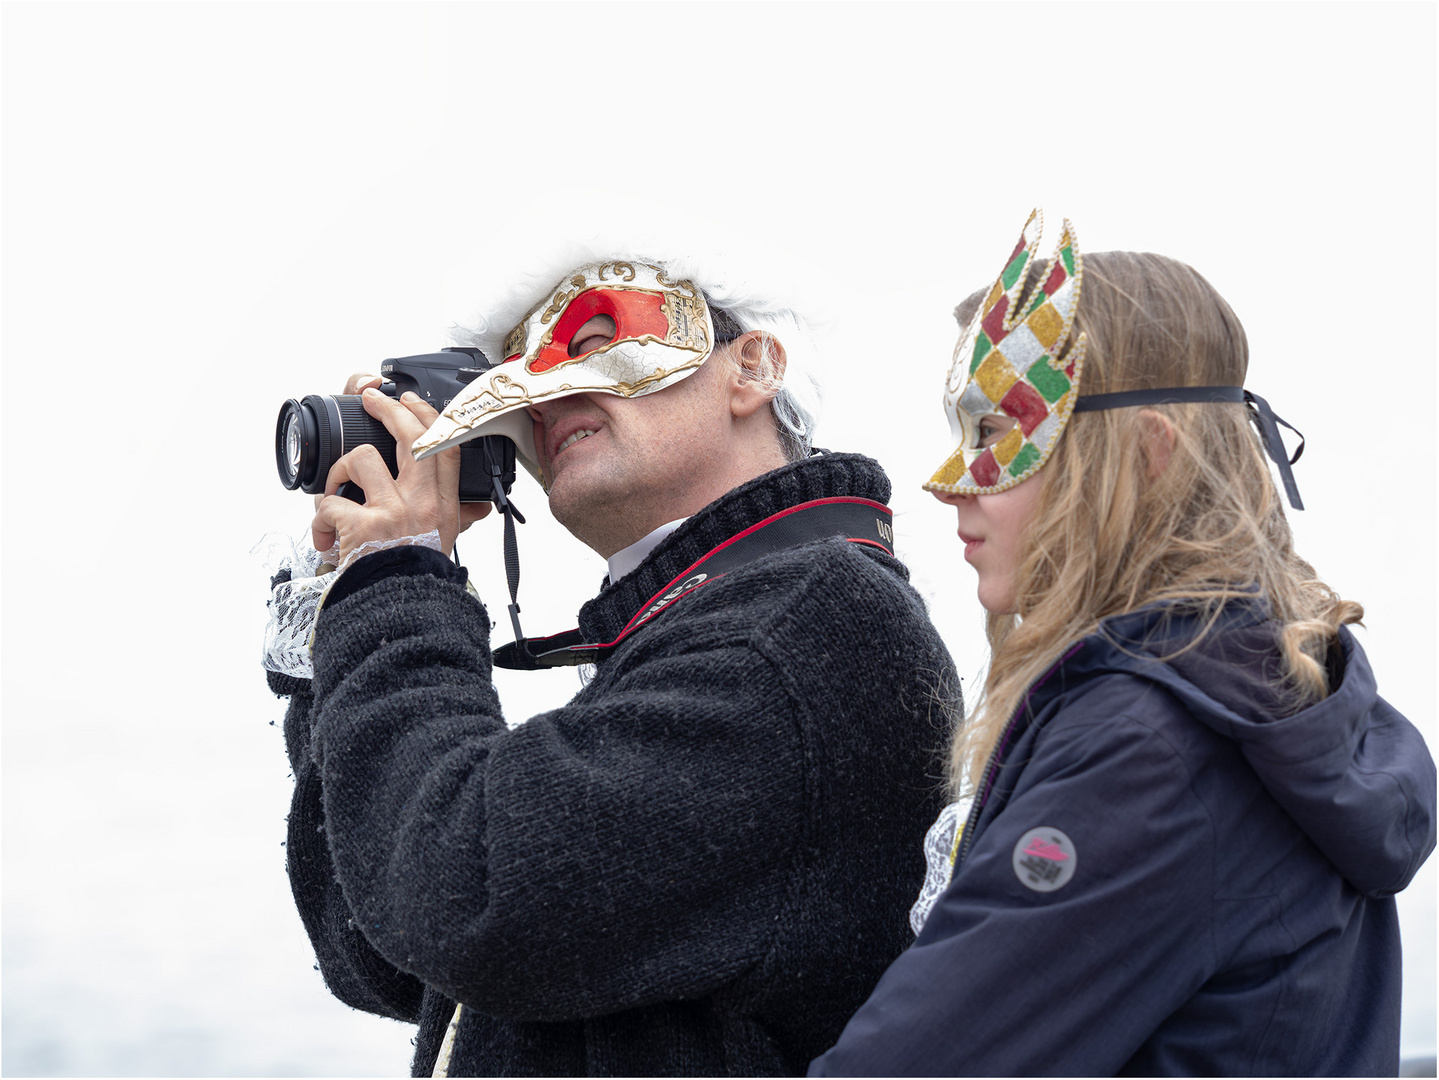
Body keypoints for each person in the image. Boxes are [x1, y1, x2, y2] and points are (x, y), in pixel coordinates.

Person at [265, 252, 959, 1076]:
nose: (549, 390)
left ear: (753, 368)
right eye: (526, 372)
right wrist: (341, 608)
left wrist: (400, 579)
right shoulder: (716, 619)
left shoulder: (802, 624)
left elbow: (464, 898)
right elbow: (381, 949)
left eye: (594, 340)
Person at [810, 211, 1436, 1076]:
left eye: (994, 434)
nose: (949, 484)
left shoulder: (1147, 746)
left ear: (1145, 454)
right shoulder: (1262, 694)